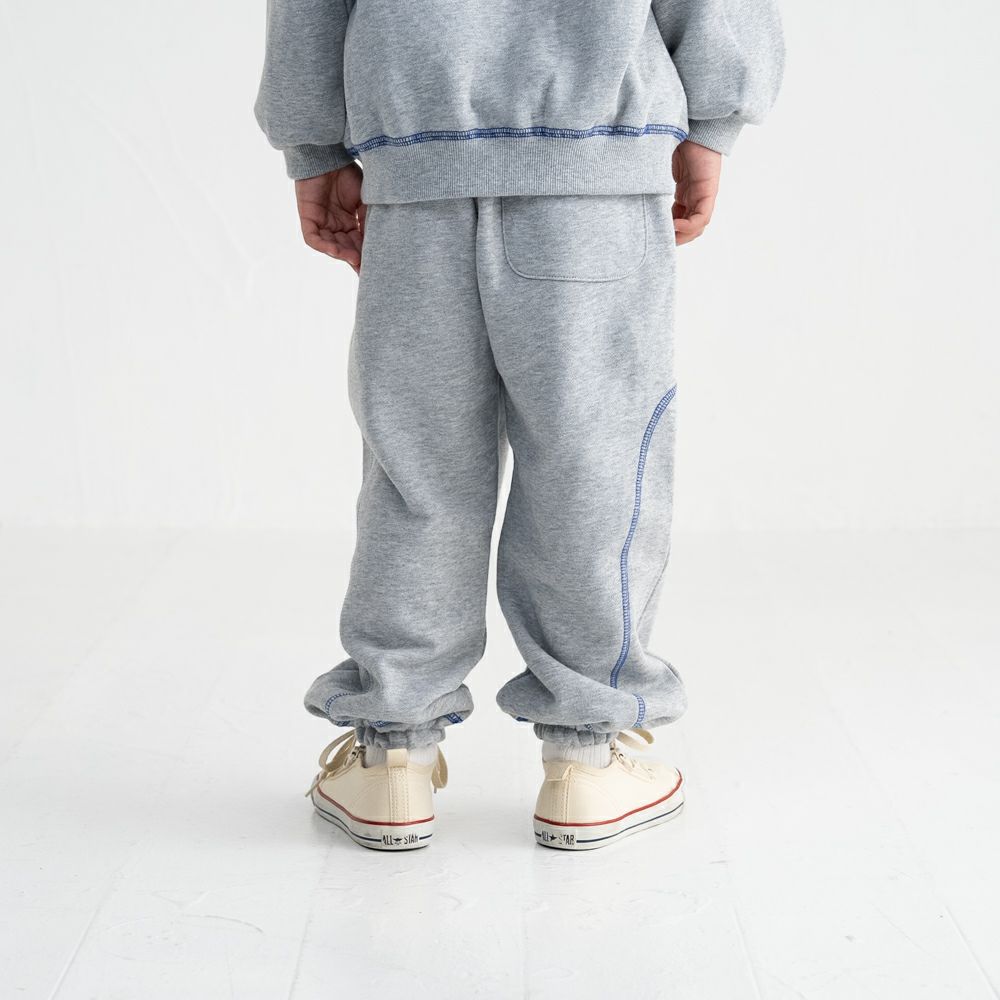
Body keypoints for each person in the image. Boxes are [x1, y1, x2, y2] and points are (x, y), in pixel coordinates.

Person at [256, 0, 784, 851]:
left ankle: (392, 756)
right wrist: (714, 120)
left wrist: (313, 144)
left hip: (414, 173)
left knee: (417, 468)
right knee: (593, 462)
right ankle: (588, 758)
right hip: (595, 170)